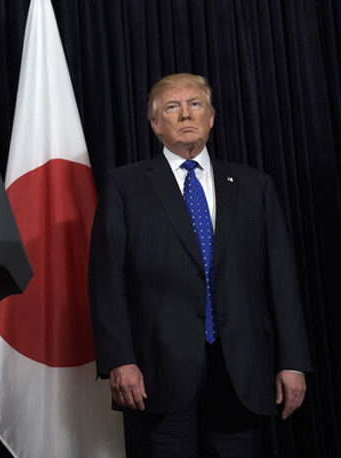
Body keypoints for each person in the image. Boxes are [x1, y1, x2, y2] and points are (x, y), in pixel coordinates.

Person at [88, 73, 312, 457]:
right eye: (172, 107)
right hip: (158, 372)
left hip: (241, 370)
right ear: (156, 124)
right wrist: (119, 360)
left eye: (195, 104)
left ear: (212, 118)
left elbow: (282, 280)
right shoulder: (125, 186)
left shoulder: (254, 186)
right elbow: (106, 280)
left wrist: (293, 362)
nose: (185, 115)